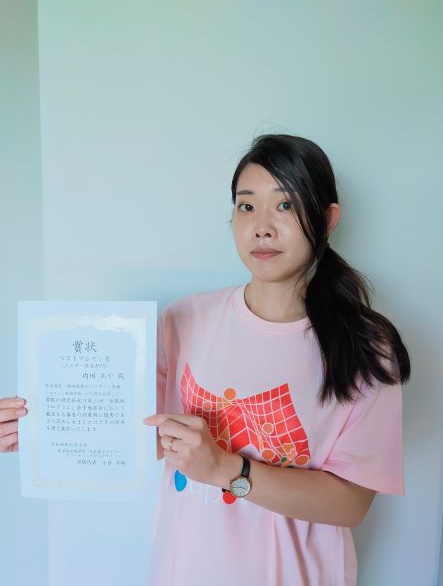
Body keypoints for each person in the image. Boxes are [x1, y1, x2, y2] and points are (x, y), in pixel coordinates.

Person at [1, 133, 410, 586]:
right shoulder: (184, 319)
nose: (262, 227)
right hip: (184, 569)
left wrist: (225, 469)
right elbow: (139, 435)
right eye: (246, 206)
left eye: (285, 205)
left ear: (328, 219)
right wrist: (40, 430)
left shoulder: (366, 347)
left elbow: (350, 504)